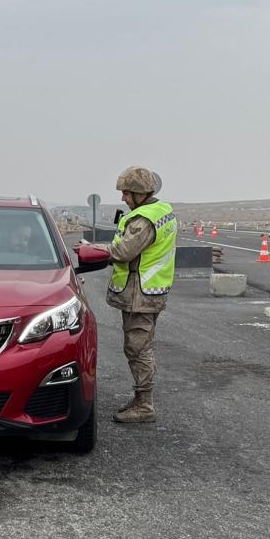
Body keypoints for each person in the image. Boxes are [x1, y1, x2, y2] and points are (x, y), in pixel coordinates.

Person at [104, 166, 176, 424]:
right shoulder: (161, 212)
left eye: (126, 193)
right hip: (150, 291)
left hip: (140, 294)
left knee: (137, 348)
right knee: (141, 346)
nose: (123, 198)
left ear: (139, 193)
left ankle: (144, 404)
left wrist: (98, 250)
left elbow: (123, 252)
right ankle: (141, 398)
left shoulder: (144, 219)